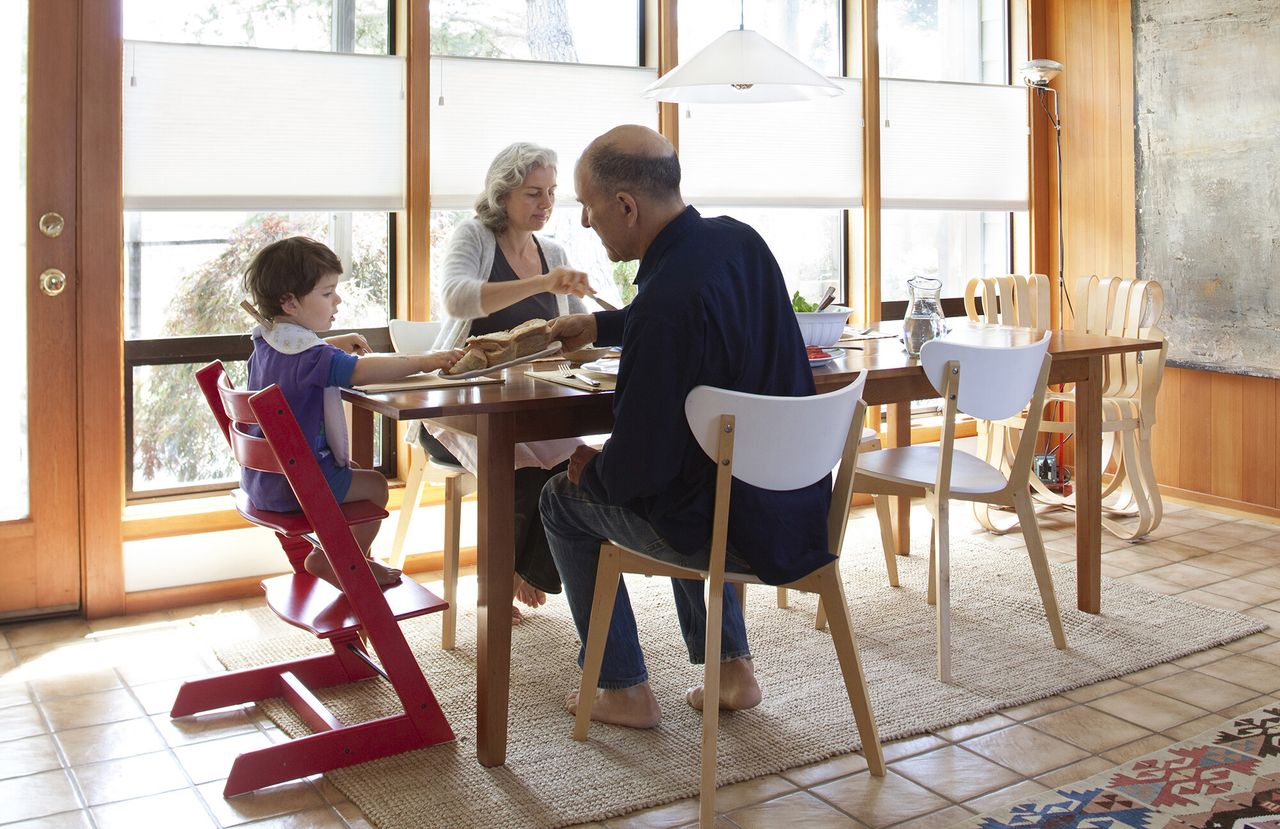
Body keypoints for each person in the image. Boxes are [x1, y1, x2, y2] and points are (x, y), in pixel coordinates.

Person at [541, 125, 833, 729]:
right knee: (696, 470)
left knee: (561, 499)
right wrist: (605, 326)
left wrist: (591, 471)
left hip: (729, 530)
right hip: (792, 510)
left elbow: (636, 471)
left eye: (588, 208)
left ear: (626, 206)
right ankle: (729, 669)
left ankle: (621, 687)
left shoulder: (664, 306)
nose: (587, 224)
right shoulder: (739, 242)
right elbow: (698, 313)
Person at [426, 141, 595, 622]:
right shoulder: (474, 236)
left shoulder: (554, 252)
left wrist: (598, 323)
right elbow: (458, 300)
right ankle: (502, 577)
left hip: (535, 402)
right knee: (521, 469)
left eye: (552, 193)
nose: (546, 204)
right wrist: (543, 284)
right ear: (503, 196)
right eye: (533, 193)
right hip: (462, 405)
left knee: (578, 466)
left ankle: (528, 569)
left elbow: (578, 333)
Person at [242, 236, 464, 589]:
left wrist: (332, 342)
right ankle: (344, 563)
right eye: (327, 293)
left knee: (356, 473)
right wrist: (426, 360)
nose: (338, 299)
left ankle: (341, 557)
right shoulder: (314, 357)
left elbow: (300, 360)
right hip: (295, 486)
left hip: (263, 482)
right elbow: (361, 371)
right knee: (375, 486)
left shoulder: (267, 342)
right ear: (290, 303)